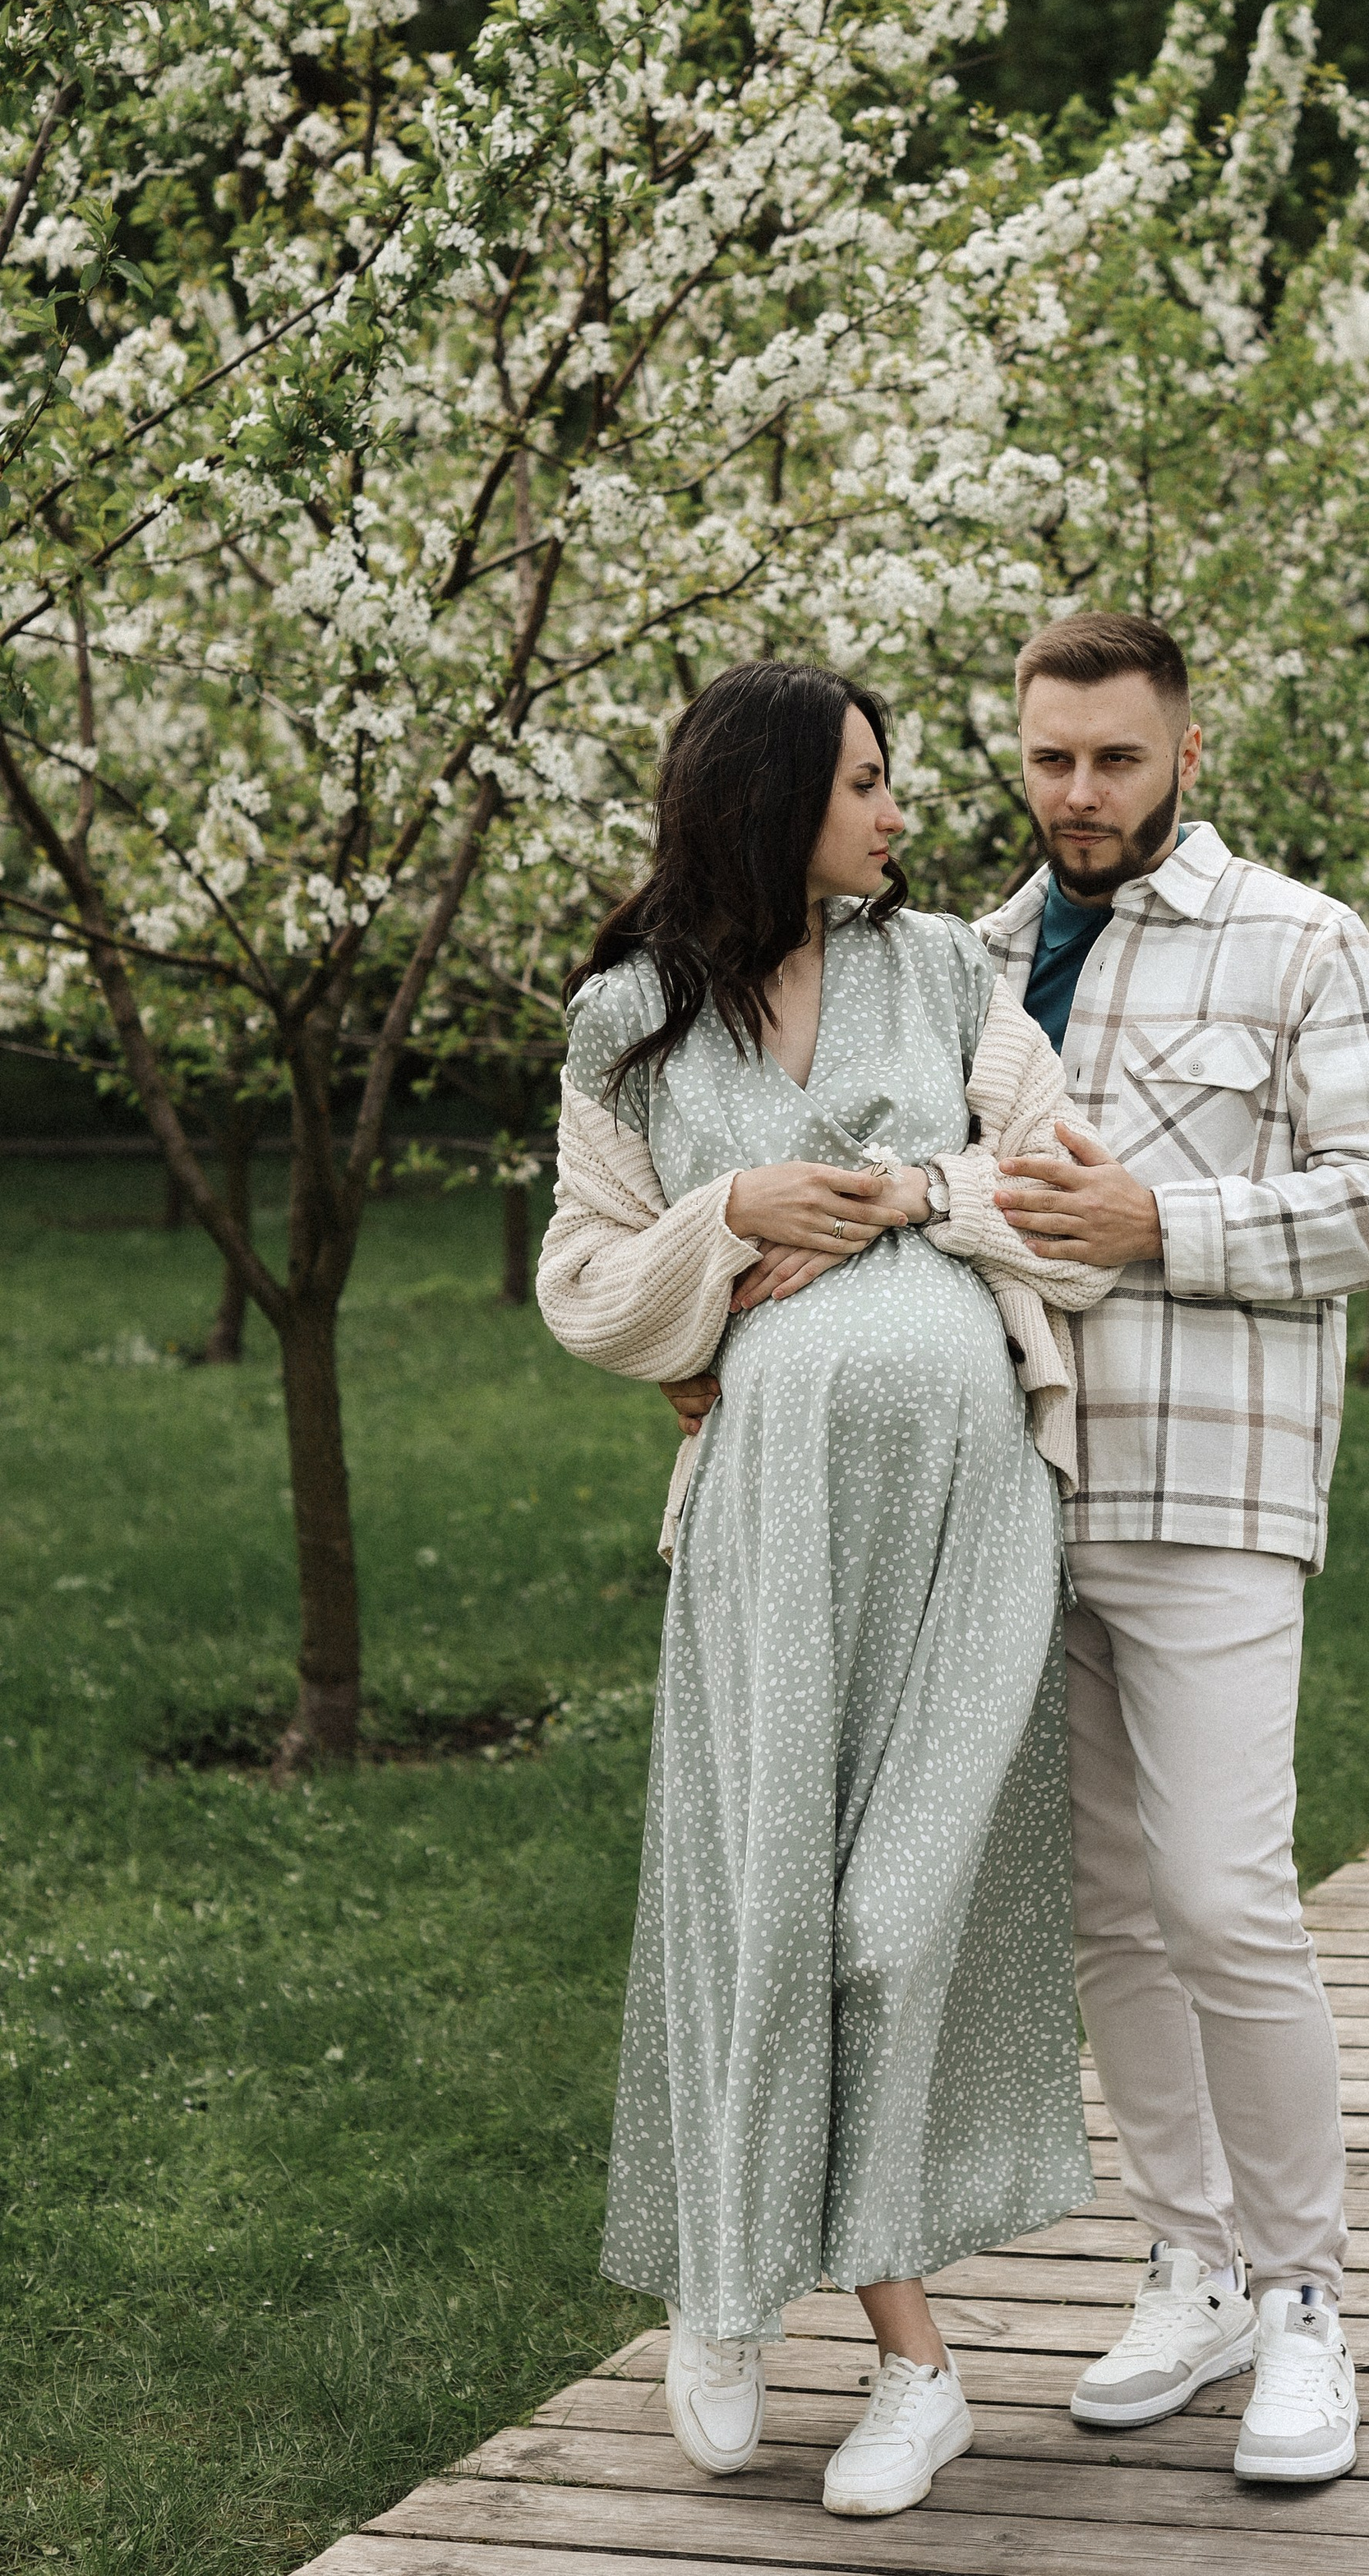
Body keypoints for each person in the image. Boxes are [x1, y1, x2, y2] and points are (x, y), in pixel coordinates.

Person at [537, 661, 1116, 2522]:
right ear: (774, 798)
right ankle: (766, 2316)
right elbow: (583, 1288)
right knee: (761, 1915)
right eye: (866, 783)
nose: (895, 814)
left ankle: (854, 2329)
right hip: (769, 1540)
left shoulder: (946, 970)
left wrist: (885, 1196)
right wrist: (726, 1223)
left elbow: (1066, 1210)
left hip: (966, 1521)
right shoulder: (626, 1021)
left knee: (889, 1920)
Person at [984, 610, 1369, 2486]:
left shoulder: (1301, 938)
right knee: (1106, 1908)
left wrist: (1153, 1220)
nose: (1077, 792)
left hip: (1214, 1489)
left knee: (1221, 1894)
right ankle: (1188, 2263)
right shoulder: (975, 955)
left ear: (1186, 749)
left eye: (1111, 756)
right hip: (1016, 1490)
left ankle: (1306, 2294)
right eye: (1046, 758)